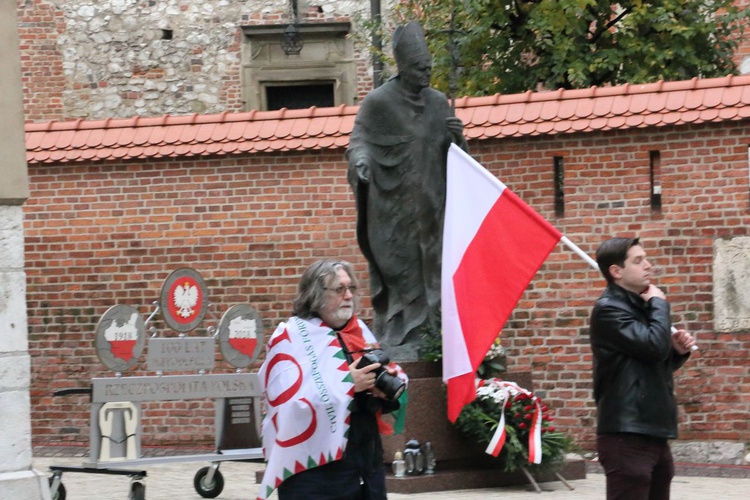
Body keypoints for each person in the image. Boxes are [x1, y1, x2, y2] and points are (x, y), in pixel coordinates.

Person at [346, 21, 468, 360]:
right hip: (394, 211)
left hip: (434, 209)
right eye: (419, 69)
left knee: (436, 275)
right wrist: (361, 163)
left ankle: (435, 337)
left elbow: (457, 159)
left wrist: (458, 139)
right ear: (403, 67)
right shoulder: (378, 103)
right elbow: (359, 142)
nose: (426, 74)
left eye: (429, 67)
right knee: (402, 273)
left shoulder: (438, 103)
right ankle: (400, 338)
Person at [257, 260, 408, 500]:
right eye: (339, 289)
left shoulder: (358, 331)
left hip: (364, 461)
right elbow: (287, 405)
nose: (348, 296)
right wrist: (347, 383)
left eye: (351, 289)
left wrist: (382, 389)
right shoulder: (289, 338)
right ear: (316, 294)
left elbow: (378, 385)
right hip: (314, 471)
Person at [589, 237, 696, 500]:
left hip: (652, 431)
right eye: (638, 261)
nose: (648, 265)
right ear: (616, 271)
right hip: (627, 434)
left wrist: (675, 351)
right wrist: (659, 304)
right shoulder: (609, 309)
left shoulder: (639, 306)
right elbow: (652, 347)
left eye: (646, 258)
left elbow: (648, 362)